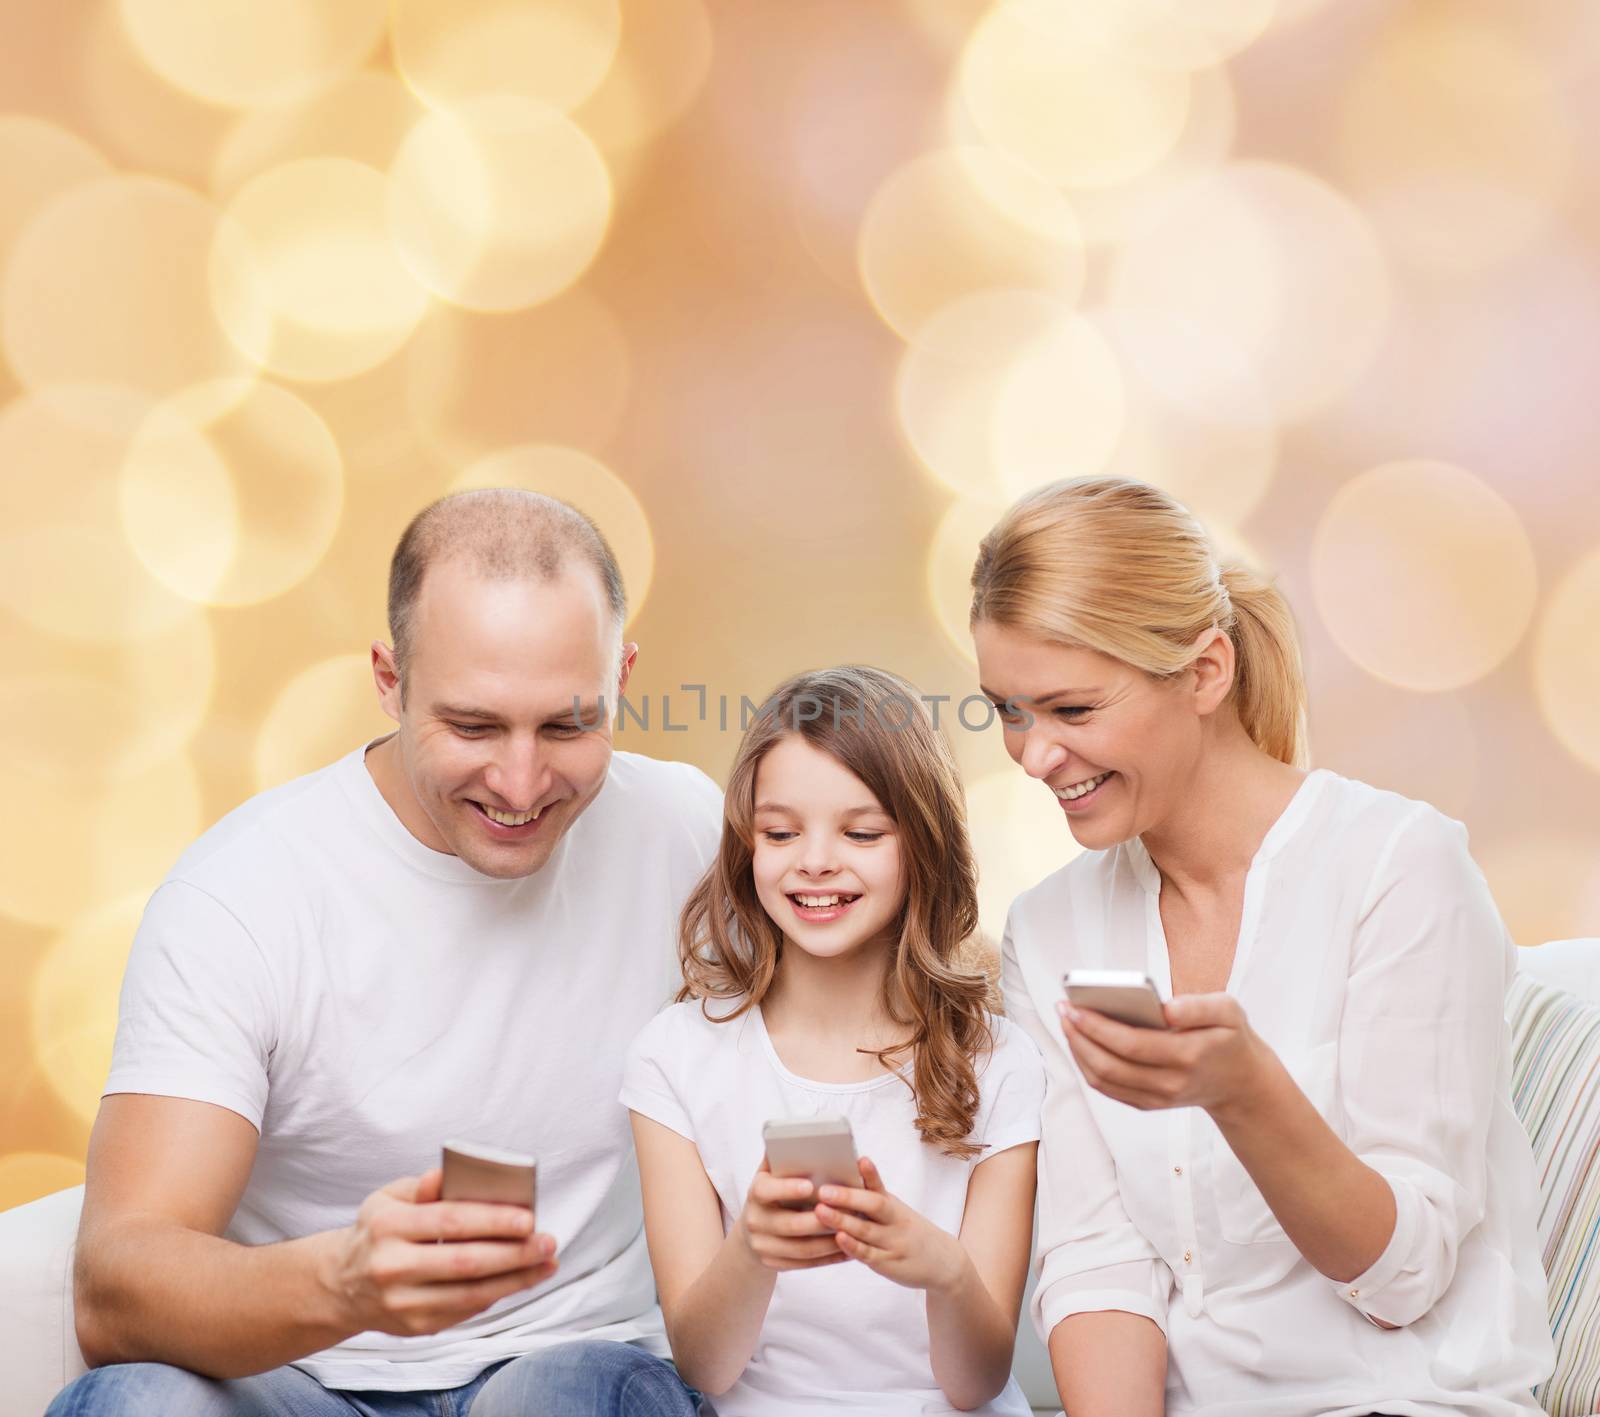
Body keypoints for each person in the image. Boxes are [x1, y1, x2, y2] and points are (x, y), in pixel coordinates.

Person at [48, 490, 723, 1417]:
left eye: (568, 725)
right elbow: (114, 1286)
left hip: (568, 1367)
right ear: (389, 678)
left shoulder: (688, 831)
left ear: (624, 677)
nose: (522, 783)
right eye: (474, 727)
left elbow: (884, 995)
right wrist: (346, 1284)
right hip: (299, 1381)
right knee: (132, 1403)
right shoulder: (243, 894)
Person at [969, 476, 1554, 1417]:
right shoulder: (1050, 930)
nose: (1034, 756)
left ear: (1206, 672)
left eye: (1072, 711)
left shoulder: (1398, 868)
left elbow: (1404, 1277)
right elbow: (1098, 1264)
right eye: (1008, 710)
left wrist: (1245, 1092)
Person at [620, 665, 1045, 1416]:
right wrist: (752, 1247)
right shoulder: (677, 1055)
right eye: (781, 832)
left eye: (861, 832)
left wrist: (943, 1270)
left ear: (923, 844)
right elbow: (705, 1365)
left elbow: (976, 1381)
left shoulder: (999, 1060)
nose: (814, 860)